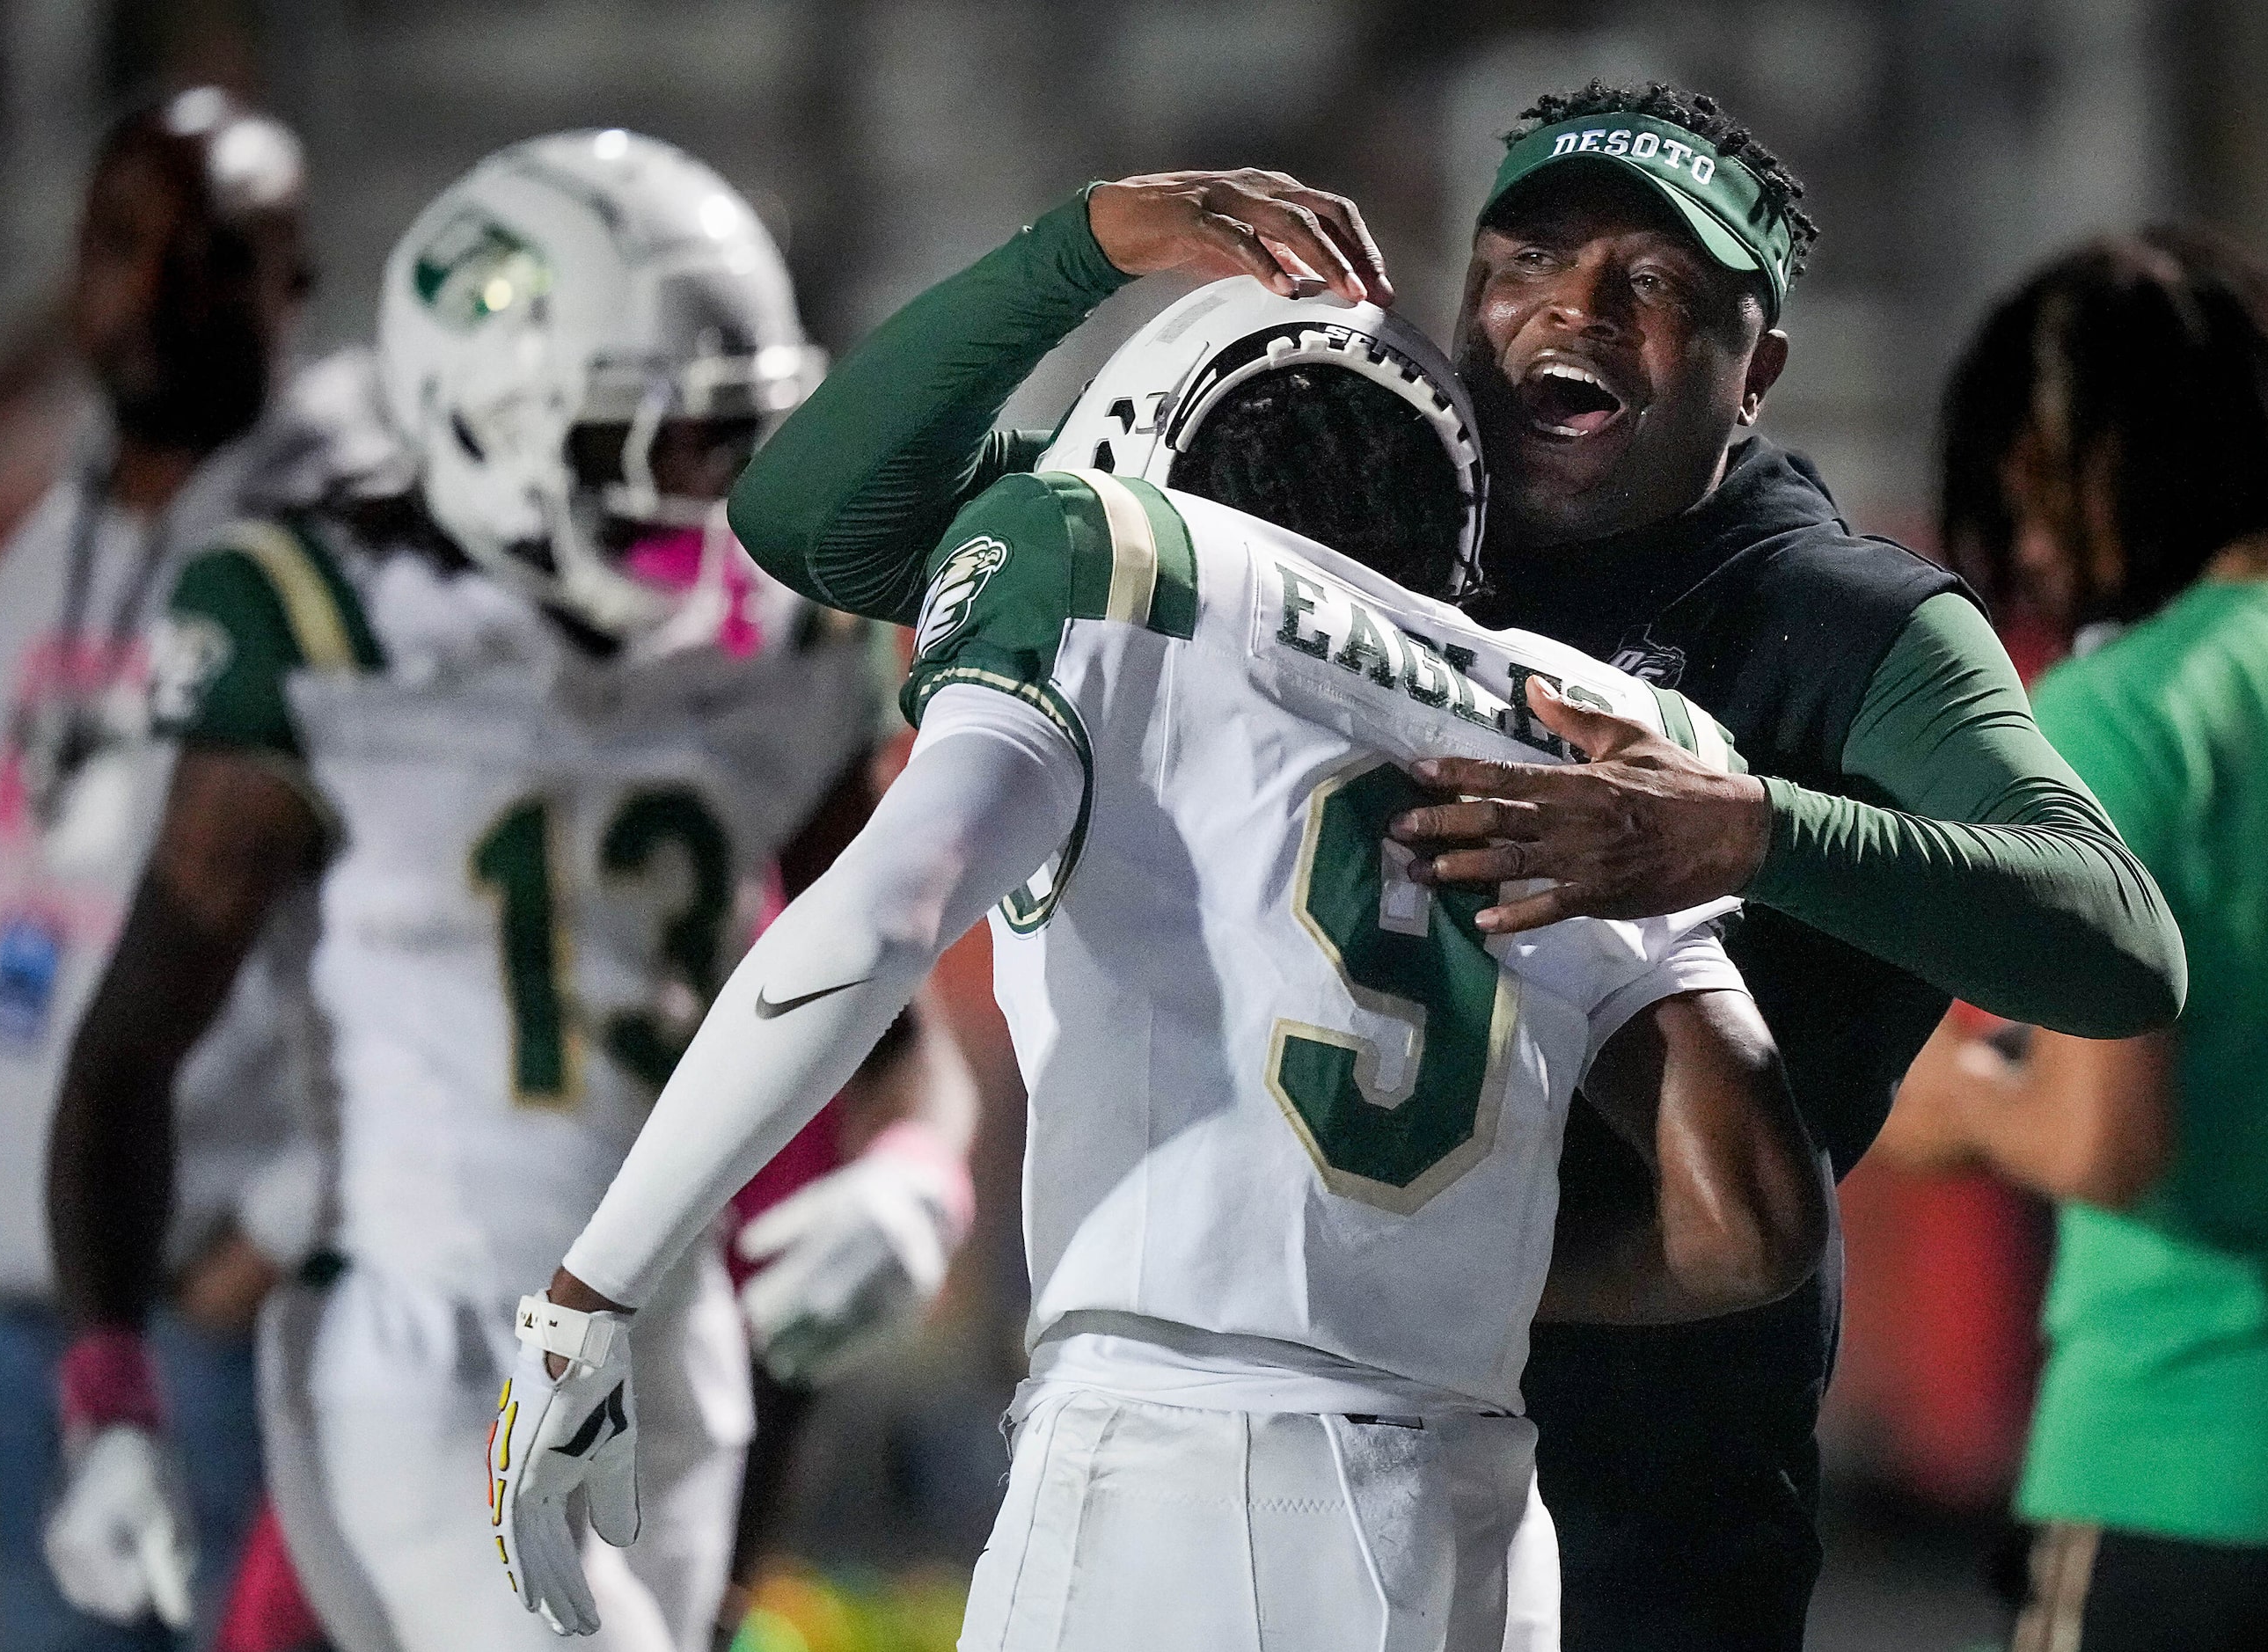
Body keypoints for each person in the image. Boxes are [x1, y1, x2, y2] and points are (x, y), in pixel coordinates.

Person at [717, 78, 2186, 1652]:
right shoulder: (1366, 504)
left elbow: (2115, 943)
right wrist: (1082, 248)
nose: (1572, 308)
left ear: (1753, 369)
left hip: (1636, 1467)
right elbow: (821, 520)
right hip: (1281, 1443)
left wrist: (1744, 825)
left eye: (1653, 285)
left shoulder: (1850, 624)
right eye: (1524, 264)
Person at [493, 277, 1828, 1651]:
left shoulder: (1119, 564)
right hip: (1477, 1519)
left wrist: (592, 1292)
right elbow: (1757, 1225)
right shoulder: (1587, 718)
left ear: (1146, 446)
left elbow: (883, 912)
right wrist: (1443, 1261)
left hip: (1175, 1462)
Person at [39, 129, 977, 1652]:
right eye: (666, 439)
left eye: (734, 435)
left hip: (676, 1343)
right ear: (498, 421)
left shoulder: (778, 655)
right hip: (428, 1336)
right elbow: (128, 1043)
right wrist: (107, 1389)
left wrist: (914, 1175)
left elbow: (894, 1018)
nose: (715, 488)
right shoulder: (323, 624)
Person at [0, 87, 322, 1652]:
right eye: (122, 244)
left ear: (293, 284)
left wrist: (280, 1221)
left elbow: (410, 932)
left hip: (210, 1313)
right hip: (2, 1312)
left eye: (212, 252)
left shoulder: (339, 569)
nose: (156, 287)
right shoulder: (12, 577)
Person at [1877, 230, 2268, 1652]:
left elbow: (2105, 1141)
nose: (2028, 554)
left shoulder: (2123, 714)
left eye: (2028, 498)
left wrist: (1937, 1093)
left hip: (2186, 1461)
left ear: (2100, 461)